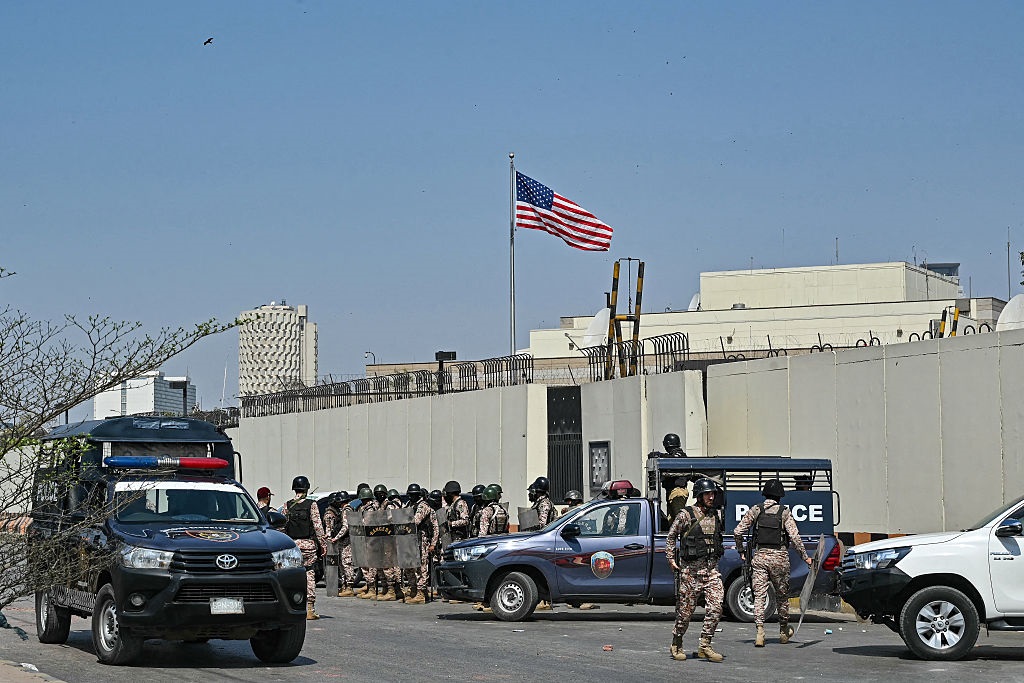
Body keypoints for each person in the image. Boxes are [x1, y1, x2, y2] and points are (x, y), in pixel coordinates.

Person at [732, 478, 812, 647]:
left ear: (765, 494)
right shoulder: (784, 512)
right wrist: (805, 557)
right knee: (782, 596)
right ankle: (783, 631)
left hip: (760, 558)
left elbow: (738, 531)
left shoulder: (756, 510)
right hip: (780, 559)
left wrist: (741, 551)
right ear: (780, 496)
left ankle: (760, 632)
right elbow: (795, 538)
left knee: (759, 595)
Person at [665, 477, 726, 663]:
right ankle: (677, 642)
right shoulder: (686, 515)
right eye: (707, 494)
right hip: (691, 572)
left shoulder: (716, 515)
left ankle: (705, 645)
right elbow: (671, 536)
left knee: (716, 607)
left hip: (711, 570)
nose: (711, 497)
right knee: (685, 612)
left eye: (712, 494)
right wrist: (670, 558)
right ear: (699, 496)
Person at [282, 475, 328, 620]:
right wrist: (323, 545)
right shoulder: (311, 505)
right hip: (308, 546)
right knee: (309, 573)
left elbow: (281, 527)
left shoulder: (287, 505)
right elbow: (318, 526)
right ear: (306, 489)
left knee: (290, 575)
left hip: (292, 547)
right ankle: (309, 608)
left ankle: (291, 606)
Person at [403, 484, 439, 605]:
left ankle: (421, 592)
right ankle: (413, 589)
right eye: (410, 495)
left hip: (421, 540)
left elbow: (415, 521)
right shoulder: (409, 505)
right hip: (409, 540)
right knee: (409, 566)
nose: (410, 497)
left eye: (413, 495)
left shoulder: (423, 506)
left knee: (421, 568)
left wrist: (433, 543)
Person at [325, 491, 358, 597]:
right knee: (343, 564)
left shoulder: (346, 510)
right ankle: (345, 586)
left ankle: (349, 587)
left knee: (347, 563)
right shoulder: (346, 509)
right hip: (343, 541)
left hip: (346, 541)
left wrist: (336, 537)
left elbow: (345, 527)